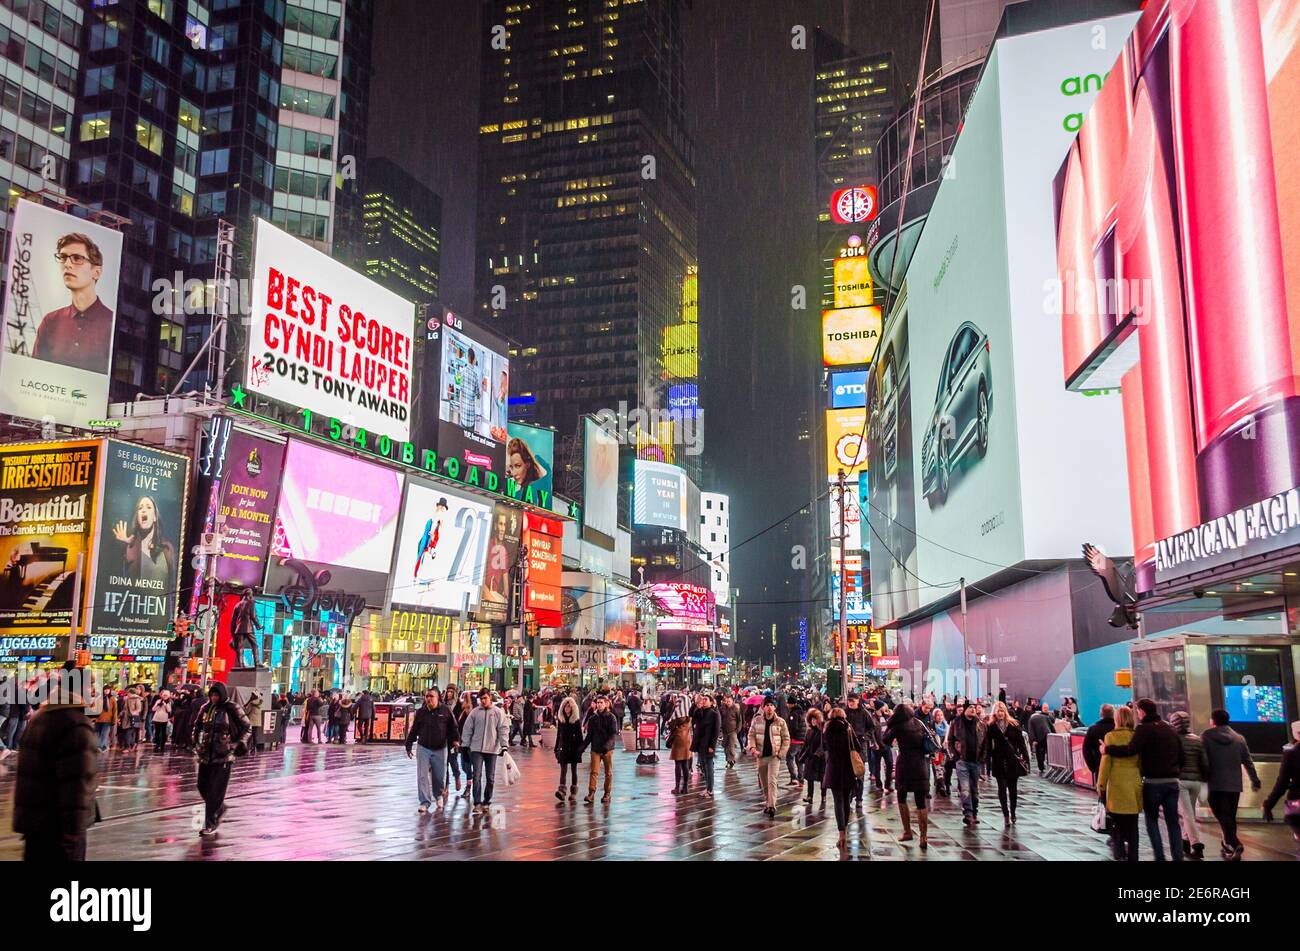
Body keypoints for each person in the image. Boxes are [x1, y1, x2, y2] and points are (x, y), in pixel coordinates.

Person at [12, 665, 98, 860]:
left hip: (35, 824)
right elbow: (76, 783)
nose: (93, 692)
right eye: (91, 686)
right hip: (59, 827)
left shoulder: (41, 718)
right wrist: (74, 831)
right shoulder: (76, 724)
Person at [1101, 698, 1185, 861]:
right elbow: (1181, 755)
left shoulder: (1143, 729)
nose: (1137, 714)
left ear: (1142, 711)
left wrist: (1107, 749)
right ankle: (1177, 857)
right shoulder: (1169, 729)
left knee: (1152, 821)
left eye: (1138, 711)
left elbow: (1131, 750)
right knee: (1173, 822)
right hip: (1172, 782)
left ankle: (1159, 857)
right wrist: (1175, 772)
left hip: (1153, 782)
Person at [33, 232, 115, 373]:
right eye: (63, 258)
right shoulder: (50, 321)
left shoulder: (112, 323)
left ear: (96, 272)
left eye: (77, 258)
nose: (67, 265)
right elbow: (34, 371)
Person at [190, 681, 252, 837]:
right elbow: (197, 727)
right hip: (206, 754)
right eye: (212, 695)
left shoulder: (232, 708)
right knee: (202, 786)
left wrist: (236, 744)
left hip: (223, 755)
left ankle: (210, 823)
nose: (214, 698)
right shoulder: (206, 708)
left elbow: (247, 727)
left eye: (216, 695)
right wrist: (196, 744)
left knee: (215, 792)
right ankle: (220, 808)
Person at [1201, 708, 1262, 861]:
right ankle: (1228, 844)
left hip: (1214, 782)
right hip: (1234, 784)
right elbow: (1248, 760)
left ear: (1213, 721)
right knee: (1230, 816)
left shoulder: (1206, 736)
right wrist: (1254, 779)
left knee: (1221, 815)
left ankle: (1234, 843)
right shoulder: (1239, 738)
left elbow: (1202, 759)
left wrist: (1202, 775)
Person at [1098, 703, 1143, 861]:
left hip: (1116, 785)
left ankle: (1119, 855)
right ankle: (1133, 856)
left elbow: (1106, 764)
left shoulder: (1110, 736)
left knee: (1117, 826)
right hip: (1134, 783)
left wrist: (1101, 785)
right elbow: (1141, 762)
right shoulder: (1136, 736)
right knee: (1133, 826)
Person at [884, 702, 932, 847]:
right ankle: (923, 837)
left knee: (902, 797)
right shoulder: (918, 723)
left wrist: (891, 723)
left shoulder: (898, 726)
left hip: (905, 764)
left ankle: (907, 831)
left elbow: (885, 739)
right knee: (920, 801)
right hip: (921, 765)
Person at [406, 688, 460, 813]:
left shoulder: (445, 710)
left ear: (437, 698)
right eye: (427, 696)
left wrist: (455, 740)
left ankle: (438, 795)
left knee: (439, 776)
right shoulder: (421, 712)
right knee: (422, 776)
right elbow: (414, 729)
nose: (429, 699)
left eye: (431, 696)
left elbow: (453, 727)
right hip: (423, 747)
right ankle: (424, 801)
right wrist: (408, 745)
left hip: (440, 748)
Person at [979, 700, 1029, 825]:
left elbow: (1021, 743)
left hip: (1012, 760)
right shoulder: (991, 726)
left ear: (1005, 711)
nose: (1000, 713)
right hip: (998, 760)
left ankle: (1013, 812)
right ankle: (1005, 814)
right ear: (994, 712)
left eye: (1002, 711)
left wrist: (1026, 758)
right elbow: (988, 745)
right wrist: (986, 763)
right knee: (1002, 789)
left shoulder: (1014, 725)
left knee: (1013, 790)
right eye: (998, 711)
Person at [460, 690, 510, 813]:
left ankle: (487, 801)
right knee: (476, 776)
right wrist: (465, 746)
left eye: (485, 698)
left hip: (492, 750)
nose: (483, 701)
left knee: (490, 777)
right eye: (481, 698)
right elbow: (467, 730)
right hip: (476, 749)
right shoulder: (475, 713)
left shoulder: (498, 713)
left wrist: (504, 745)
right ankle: (477, 802)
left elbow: (503, 729)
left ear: (490, 698)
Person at [1169, 711, 1209, 860]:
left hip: (1181, 781)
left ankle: (1196, 844)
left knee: (1187, 814)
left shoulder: (1173, 740)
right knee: (1189, 812)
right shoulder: (1197, 740)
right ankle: (1185, 841)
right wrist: (1204, 779)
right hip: (1196, 781)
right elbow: (1204, 763)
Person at [747, 697, 790, 818]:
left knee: (772, 781)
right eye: (767, 705)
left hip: (774, 756)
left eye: (771, 705)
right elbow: (751, 735)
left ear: (775, 707)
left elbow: (786, 739)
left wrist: (781, 753)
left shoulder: (780, 722)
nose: (769, 707)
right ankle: (768, 802)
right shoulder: (757, 720)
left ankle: (772, 806)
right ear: (763, 707)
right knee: (764, 782)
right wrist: (753, 749)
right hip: (761, 756)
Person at [1263, 720, 1300, 850]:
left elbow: (1282, 783)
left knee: (1293, 817)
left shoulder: (1292, 754)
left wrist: (1268, 804)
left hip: (1297, 802)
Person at [822, 708, 856, 848]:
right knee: (846, 801)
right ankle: (846, 831)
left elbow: (824, 746)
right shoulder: (848, 727)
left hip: (833, 768)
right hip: (847, 767)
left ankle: (841, 834)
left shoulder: (827, 728)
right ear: (843, 715)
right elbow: (857, 746)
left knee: (838, 801)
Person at [948, 701, 986, 826]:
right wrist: (955, 756)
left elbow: (984, 743)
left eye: (974, 708)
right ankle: (968, 814)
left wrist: (982, 758)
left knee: (974, 790)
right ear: (964, 709)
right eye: (970, 707)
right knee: (965, 789)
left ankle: (974, 813)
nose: (973, 709)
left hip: (975, 761)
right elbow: (950, 741)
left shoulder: (980, 724)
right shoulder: (957, 723)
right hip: (962, 761)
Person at [580, 694, 620, 804]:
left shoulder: (611, 717)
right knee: (594, 771)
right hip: (596, 748)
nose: (599, 704)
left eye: (601, 702)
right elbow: (589, 736)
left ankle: (607, 793)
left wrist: (607, 746)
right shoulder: (593, 718)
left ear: (606, 704)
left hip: (607, 749)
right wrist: (582, 748)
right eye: (598, 702)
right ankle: (591, 793)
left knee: (608, 772)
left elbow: (612, 734)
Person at [554, 694, 584, 801]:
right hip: (563, 748)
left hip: (574, 748)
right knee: (563, 770)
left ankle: (573, 792)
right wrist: (556, 748)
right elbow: (558, 735)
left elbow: (580, 737)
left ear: (573, 708)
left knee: (574, 770)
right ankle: (562, 790)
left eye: (569, 707)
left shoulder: (575, 721)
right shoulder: (561, 720)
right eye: (566, 707)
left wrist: (580, 750)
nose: (567, 709)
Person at [691, 694, 721, 798]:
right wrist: (696, 704)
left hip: (708, 744)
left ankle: (710, 789)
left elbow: (716, 731)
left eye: (706, 699)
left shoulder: (714, 714)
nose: (703, 701)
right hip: (699, 743)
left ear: (712, 702)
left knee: (709, 767)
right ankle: (707, 787)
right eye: (703, 699)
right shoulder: (701, 712)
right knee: (703, 766)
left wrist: (712, 745)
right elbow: (692, 715)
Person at [1083, 704, 1116, 786]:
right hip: (1118, 767)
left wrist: (1093, 767)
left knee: (1102, 792)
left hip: (1100, 766)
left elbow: (1086, 750)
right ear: (1113, 714)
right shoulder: (1117, 728)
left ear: (1101, 714)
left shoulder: (1093, 729)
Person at [799, 708, 826, 807]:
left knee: (822, 778)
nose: (813, 722)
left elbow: (824, 744)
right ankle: (810, 796)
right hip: (810, 758)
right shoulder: (809, 731)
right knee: (809, 778)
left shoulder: (822, 731)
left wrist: (817, 754)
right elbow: (806, 745)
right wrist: (802, 756)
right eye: (812, 720)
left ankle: (823, 795)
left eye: (815, 720)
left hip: (820, 759)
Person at [228, 589, 262, 668]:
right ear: (249, 594)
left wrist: (233, 633)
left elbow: (233, 621)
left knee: (240, 647)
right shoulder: (251, 603)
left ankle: (241, 664)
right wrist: (258, 626)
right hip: (249, 628)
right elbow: (253, 616)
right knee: (254, 645)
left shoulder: (237, 605)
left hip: (239, 629)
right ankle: (257, 663)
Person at [669, 714, 693, 794]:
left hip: (679, 739)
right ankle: (685, 787)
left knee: (678, 764)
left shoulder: (678, 715)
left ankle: (677, 787)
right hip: (687, 739)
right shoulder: (689, 715)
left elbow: (671, 726)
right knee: (685, 764)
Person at [719, 692, 743, 769]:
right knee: (725, 747)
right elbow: (720, 718)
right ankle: (728, 760)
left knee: (731, 747)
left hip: (733, 731)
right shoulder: (722, 708)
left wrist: (737, 730)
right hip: (724, 730)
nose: (728, 703)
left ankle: (731, 760)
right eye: (726, 701)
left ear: (732, 701)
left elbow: (739, 720)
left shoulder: (736, 708)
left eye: (729, 701)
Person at [1027, 703, 1053, 775]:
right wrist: (1055, 735)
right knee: (1048, 751)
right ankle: (1049, 765)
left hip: (1039, 738)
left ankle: (1041, 767)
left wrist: (1033, 740)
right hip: (1047, 735)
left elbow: (1031, 730)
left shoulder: (1032, 719)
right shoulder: (1046, 717)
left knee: (1039, 752)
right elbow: (1052, 727)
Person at [94, 686, 117, 752]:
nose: (106, 691)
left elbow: (115, 710)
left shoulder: (112, 699)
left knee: (104, 733)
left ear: (110, 690)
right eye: (105, 689)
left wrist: (114, 720)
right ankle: (103, 746)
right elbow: (95, 709)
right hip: (99, 719)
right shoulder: (99, 698)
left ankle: (99, 746)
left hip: (108, 719)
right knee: (99, 733)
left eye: (108, 690)